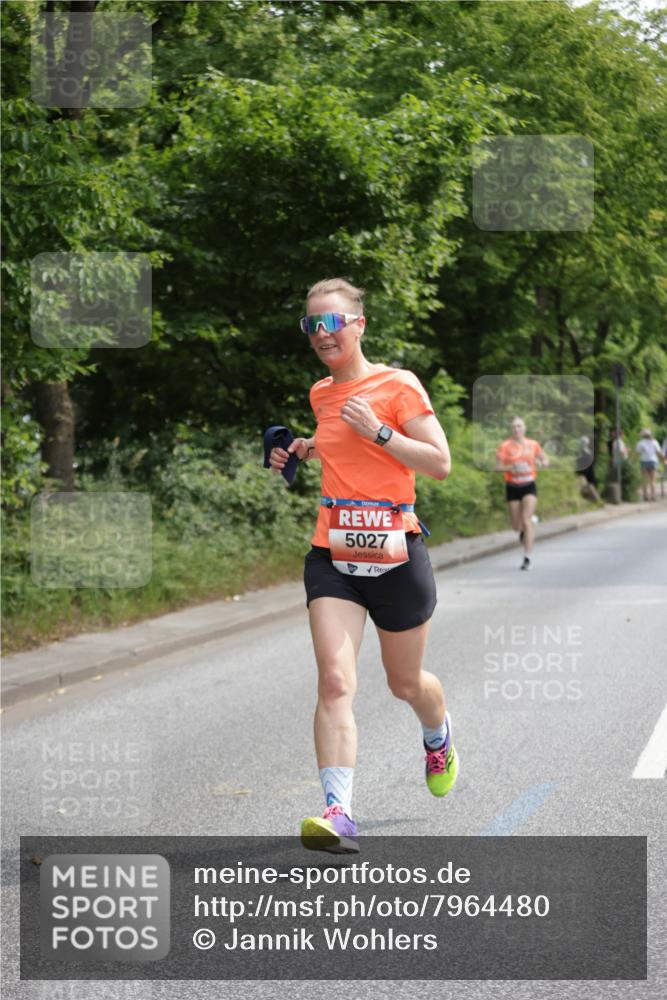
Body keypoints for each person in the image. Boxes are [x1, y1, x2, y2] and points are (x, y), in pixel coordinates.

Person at [269, 277, 457, 854]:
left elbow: (439, 462)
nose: (320, 334)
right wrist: (303, 446)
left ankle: (438, 734)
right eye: (310, 325)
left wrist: (378, 431)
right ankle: (337, 812)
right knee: (334, 680)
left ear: (358, 325)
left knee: (405, 683)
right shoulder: (320, 393)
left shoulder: (399, 385)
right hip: (334, 554)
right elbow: (337, 440)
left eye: (331, 322)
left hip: (397, 553)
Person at [495, 416, 548, 570]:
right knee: (516, 526)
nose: (516, 429)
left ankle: (527, 558)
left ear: (524, 429)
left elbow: (545, 461)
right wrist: (511, 468)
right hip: (512, 486)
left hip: (529, 485)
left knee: (525, 520)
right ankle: (532, 522)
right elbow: (498, 467)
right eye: (514, 427)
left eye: (519, 426)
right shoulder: (505, 446)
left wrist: (540, 462)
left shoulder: (533, 445)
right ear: (511, 430)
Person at [635, 428, 662, 502]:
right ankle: (653, 496)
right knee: (653, 480)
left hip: (644, 461)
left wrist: (634, 461)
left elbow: (637, 453)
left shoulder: (640, 443)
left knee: (644, 479)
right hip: (653, 461)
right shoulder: (655, 442)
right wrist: (662, 460)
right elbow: (659, 452)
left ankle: (645, 495)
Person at [576, 435, 601, 503]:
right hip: (587, 472)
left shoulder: (582, 452)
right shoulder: (586, 452)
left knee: (590, 485)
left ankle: (593, 499)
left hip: (586, 472)